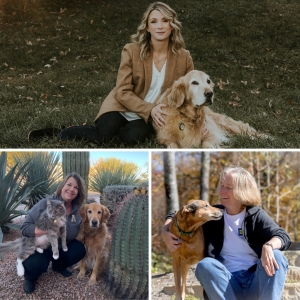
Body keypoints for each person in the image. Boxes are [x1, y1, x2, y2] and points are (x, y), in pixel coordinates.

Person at [28, 2, 194, 145]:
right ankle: (61, 132)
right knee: (103, 136)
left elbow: (193, 93)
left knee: (132, 137)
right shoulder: (131, 51)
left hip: (149, 117)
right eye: (154, 21)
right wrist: (150, 108)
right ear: (148, 27)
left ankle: (100, 131)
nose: (160, 26)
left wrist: (200, 121)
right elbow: (122, 91)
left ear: (172, 25)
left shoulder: (184, 57)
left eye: (165, 21)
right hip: (122, 106)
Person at [161, 166, 291, 300]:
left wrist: (268, 246)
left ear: (242, 190)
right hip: (226, 284)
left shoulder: (256, 215)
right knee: (206, 265)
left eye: (228, 187)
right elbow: (178, 214)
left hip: (255, 282)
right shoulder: (213, 215)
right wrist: (165, 231)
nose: (222, 190)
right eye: (222, 185)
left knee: (277, 255)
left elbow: (283, 237)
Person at [20, 172, 86, 294]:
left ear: (79, 192)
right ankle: (30, 277)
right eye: (69, 185)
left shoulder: (78, 211)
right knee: (35, 264)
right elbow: (25, 228)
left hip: (60, 247)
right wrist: (49, 230)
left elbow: (83, 227)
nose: (71, 189)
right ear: (62, 186)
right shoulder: (46, 203)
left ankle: (58, 266)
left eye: (76, 187)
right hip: (41, 246)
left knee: (80, 249)